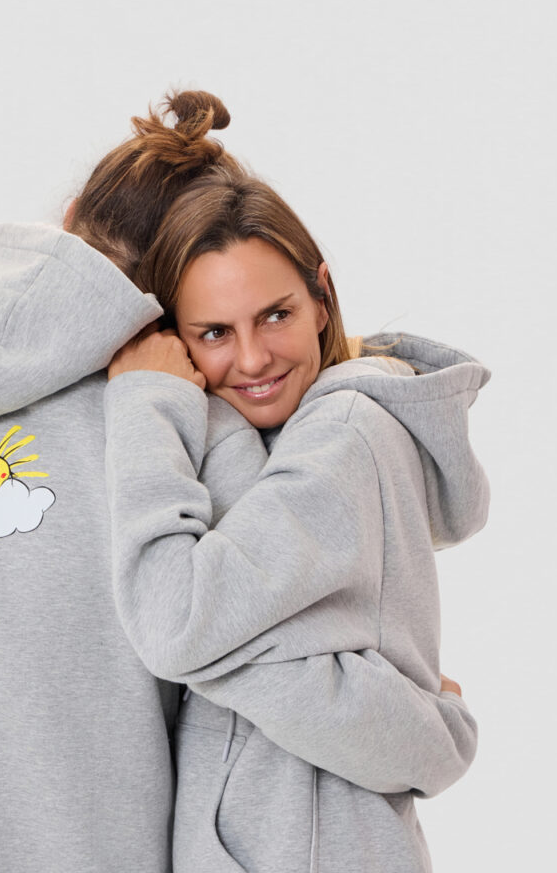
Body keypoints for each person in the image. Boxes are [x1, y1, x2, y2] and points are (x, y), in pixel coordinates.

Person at [0, 92, 478, 873]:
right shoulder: (188, 425)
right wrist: (429, 722)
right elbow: (252, 663)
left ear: (69, 219)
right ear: (175, 300)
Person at [105, 166, 489, 872]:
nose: (253, 359)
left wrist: (145, 404)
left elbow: (172, 622)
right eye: (215, 332)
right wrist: (421, 726)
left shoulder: (343, 435)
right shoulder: (295, 438)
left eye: (275, 315)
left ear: (322, 298)